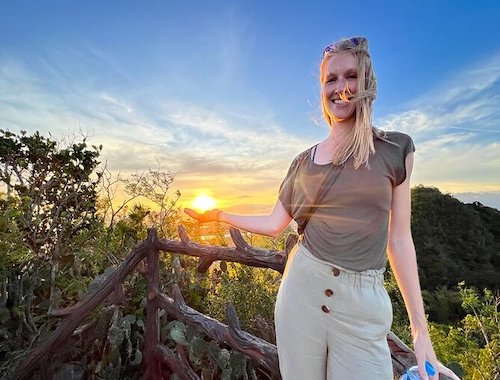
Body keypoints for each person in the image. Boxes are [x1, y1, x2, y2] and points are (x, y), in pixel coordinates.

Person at [185, 37, 459, 380]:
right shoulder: (303, 163)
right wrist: (219, 214)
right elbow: (275, 223)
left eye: (350, 76)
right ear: (322, 89)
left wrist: (421, 332)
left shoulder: (396, 149)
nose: (341, 87)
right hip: (301, 291)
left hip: (363, 306)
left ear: (367, 82)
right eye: (331, 79)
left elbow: (399, 238)